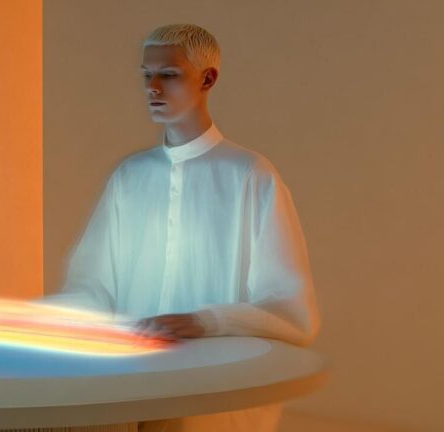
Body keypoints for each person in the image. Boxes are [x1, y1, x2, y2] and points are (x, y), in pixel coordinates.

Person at [47, 24, 320, 432]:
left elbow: (289, 308)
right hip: (129, 381)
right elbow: (92, 285)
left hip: (211, 391)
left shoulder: (250, 175)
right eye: (146, 75)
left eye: (169, 75)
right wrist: (45, 320)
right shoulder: (130, 176)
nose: (152, 88)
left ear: (207, 79)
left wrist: (208, 321)